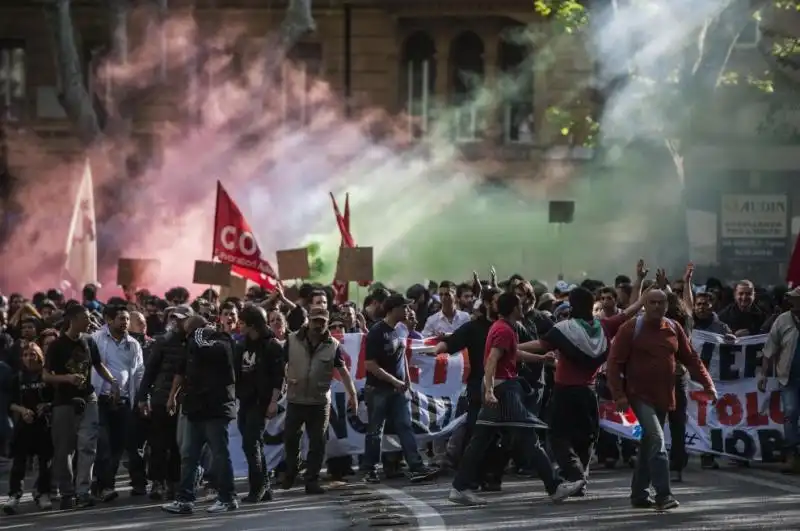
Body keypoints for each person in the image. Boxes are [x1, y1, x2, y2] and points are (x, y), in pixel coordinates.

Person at [448, 292, 584, 506]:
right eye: (519, 305)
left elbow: (512, 355)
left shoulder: (502, 327)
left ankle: (459, 487)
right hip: (504, 392)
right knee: (528, 438)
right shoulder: (504, 330)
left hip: (499, 388)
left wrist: (541, 359)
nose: (523, 308)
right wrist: (490, 391)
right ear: (513, 309)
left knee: (480, 440)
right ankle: (554, 486)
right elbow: (492, 360)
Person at [606, 289, 717, 511]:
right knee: (657, 440)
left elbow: (691, 358)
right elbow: (614, 363)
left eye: (661, 302)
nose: (657, 306)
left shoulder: (673, 328)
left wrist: (708, 384)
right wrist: (618, 395)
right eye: (652, 302)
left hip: (664, 396)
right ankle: (663, 494)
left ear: (667, 305)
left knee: (649, 443)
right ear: (644, 304)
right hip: (638, 395)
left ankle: (639, 494)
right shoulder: (631, 328)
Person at [44, 303, 120, 510]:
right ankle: (67, 492)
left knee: (88, 446)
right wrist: (67, 378)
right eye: (85, 318)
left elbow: (98, 364)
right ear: (73, 319)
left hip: (88, 398)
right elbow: (46, 375)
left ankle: (83, 492)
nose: (90, 321)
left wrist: (112, 381)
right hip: (64, 403)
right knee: (64, 450)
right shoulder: (57, 345)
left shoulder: (89, 340)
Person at [162, 316, 238, 515]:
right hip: (195, 408)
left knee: (220, 455)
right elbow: (181, 371)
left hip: (215, 409)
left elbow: (216, 352)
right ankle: (185, 499)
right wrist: (172, 396)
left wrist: (199, 333)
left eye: (189, 332)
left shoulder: (221, 340)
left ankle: (227, 498)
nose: (187, 337)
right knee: (188, 455)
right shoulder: (190, 345)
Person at [361, 295, 439, 484]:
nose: (407, 310)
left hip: (399, 391)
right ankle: (369, 470)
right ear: (392, 309)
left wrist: (407, 381)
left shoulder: (400, 330)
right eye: (404, 307)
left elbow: (401, 355)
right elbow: (370, 364)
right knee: (375, 431)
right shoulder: (377, 332)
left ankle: (416, 466)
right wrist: (395, 381)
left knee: (405, 426)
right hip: (378, 390)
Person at [282, 306, 358, 494]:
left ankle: (312, 480)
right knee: (291, 440)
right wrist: (286, 378)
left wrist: (353, 395)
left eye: (322, 321)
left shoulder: (333, 345)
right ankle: (292, 469)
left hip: (319, 402)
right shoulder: (291, 340)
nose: (318, 325)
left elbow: (343, 372)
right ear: (308, 320)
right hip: (295, 399)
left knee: (318, 443)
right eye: (315, 321)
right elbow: (281, 365)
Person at [91, 305, 144, 502]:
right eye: (121, 319)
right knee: (103, 445)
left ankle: (105, 484)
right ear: (109, 320)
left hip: (123, 402)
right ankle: (104, 485)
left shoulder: (133, 344)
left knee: (117, 446)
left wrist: (140, 398)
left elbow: (139, 372)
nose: (125, 323)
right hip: (100, 400)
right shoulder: (97, 339)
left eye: (127, 319)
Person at [235, 305, 284, 502]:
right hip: (245, 401)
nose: (239, 326)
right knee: (253, 445)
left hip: (261, 402)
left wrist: (273, 403)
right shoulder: (242, 345)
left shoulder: (272, 346)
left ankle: (257, 489)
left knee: (251, 443)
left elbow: (278, 378)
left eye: (242, 322)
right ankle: (265, 488)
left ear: (252, 324)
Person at [3, 342, 53, 514]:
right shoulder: (17, 377)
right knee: (18, 463)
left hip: (43, 425)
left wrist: (46, 406)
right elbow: (9, 403)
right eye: (25, 355)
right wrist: (22, 411)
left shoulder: (46, 376)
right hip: (24, 426)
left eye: (32, 354)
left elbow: (57, 399)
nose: (29, 358)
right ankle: (14, 496)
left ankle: (43, 493)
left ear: (40, 355)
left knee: (45, 463)